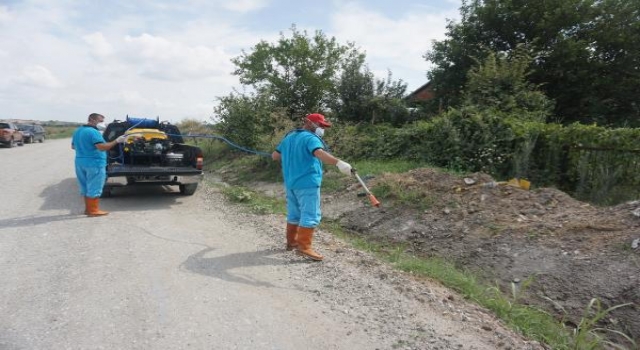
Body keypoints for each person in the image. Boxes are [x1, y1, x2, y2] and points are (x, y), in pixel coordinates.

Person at [272, 113, 353, 261]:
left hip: (291, 184)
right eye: (320, 125)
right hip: (307, 183)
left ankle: (292, 243)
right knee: (310, 214)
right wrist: (339, 163)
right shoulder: (310, 138)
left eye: (323, 126)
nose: (322, 129)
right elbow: (319, 153)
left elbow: (274, 156)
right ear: (309, 123)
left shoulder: (289, 138)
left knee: (294, 214)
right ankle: (304, 247)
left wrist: (292, 154)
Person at [71, 113, 125, 216]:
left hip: (80, 162)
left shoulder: (78, 131)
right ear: (92, 119)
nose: (102, 123)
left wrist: (85, 149)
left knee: (85, 186)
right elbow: (102, 147)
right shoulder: (93, 132)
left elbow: (73, 146)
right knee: (95, 186)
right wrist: (117, 141)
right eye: (100, 121)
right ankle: (93, 211)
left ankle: (88, 209)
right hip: (94, 163)